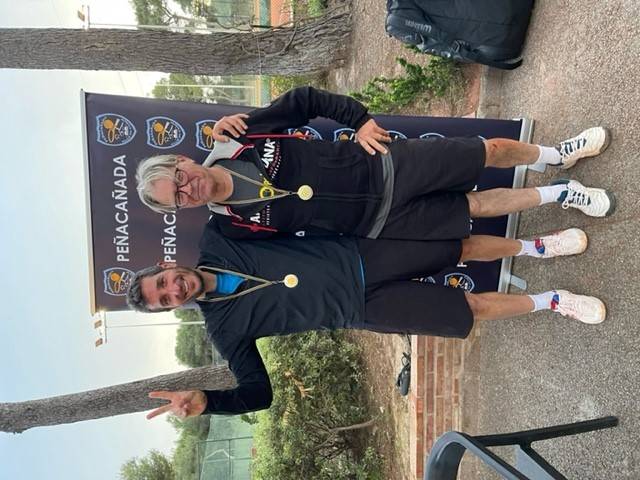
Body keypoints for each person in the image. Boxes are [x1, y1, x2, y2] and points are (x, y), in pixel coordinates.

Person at [126, 220, 604, 419]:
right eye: (165, 299)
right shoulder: (225, 331)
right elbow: (259, 394)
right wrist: (208, 402)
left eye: (163, 282)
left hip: (360, 253)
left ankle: (537, 246)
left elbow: (249, 186)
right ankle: (552, 300)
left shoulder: (218, 235)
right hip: (361, 309)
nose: (174, 289)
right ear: (171, 309)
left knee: (458, 248)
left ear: (165, 265)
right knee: (469, 307)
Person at [135, 86, 614, 240]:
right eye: (176, 198)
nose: (187, 188)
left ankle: (557, 155)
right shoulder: (233, 227)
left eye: (178, 178)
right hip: (380, 222)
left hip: (384, 164)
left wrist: (360, 120)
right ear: (181, 209)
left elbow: (304, 100)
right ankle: (562, 194)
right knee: (475, 207)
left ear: (182, 159)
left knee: (484, 151)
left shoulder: (240, 134)